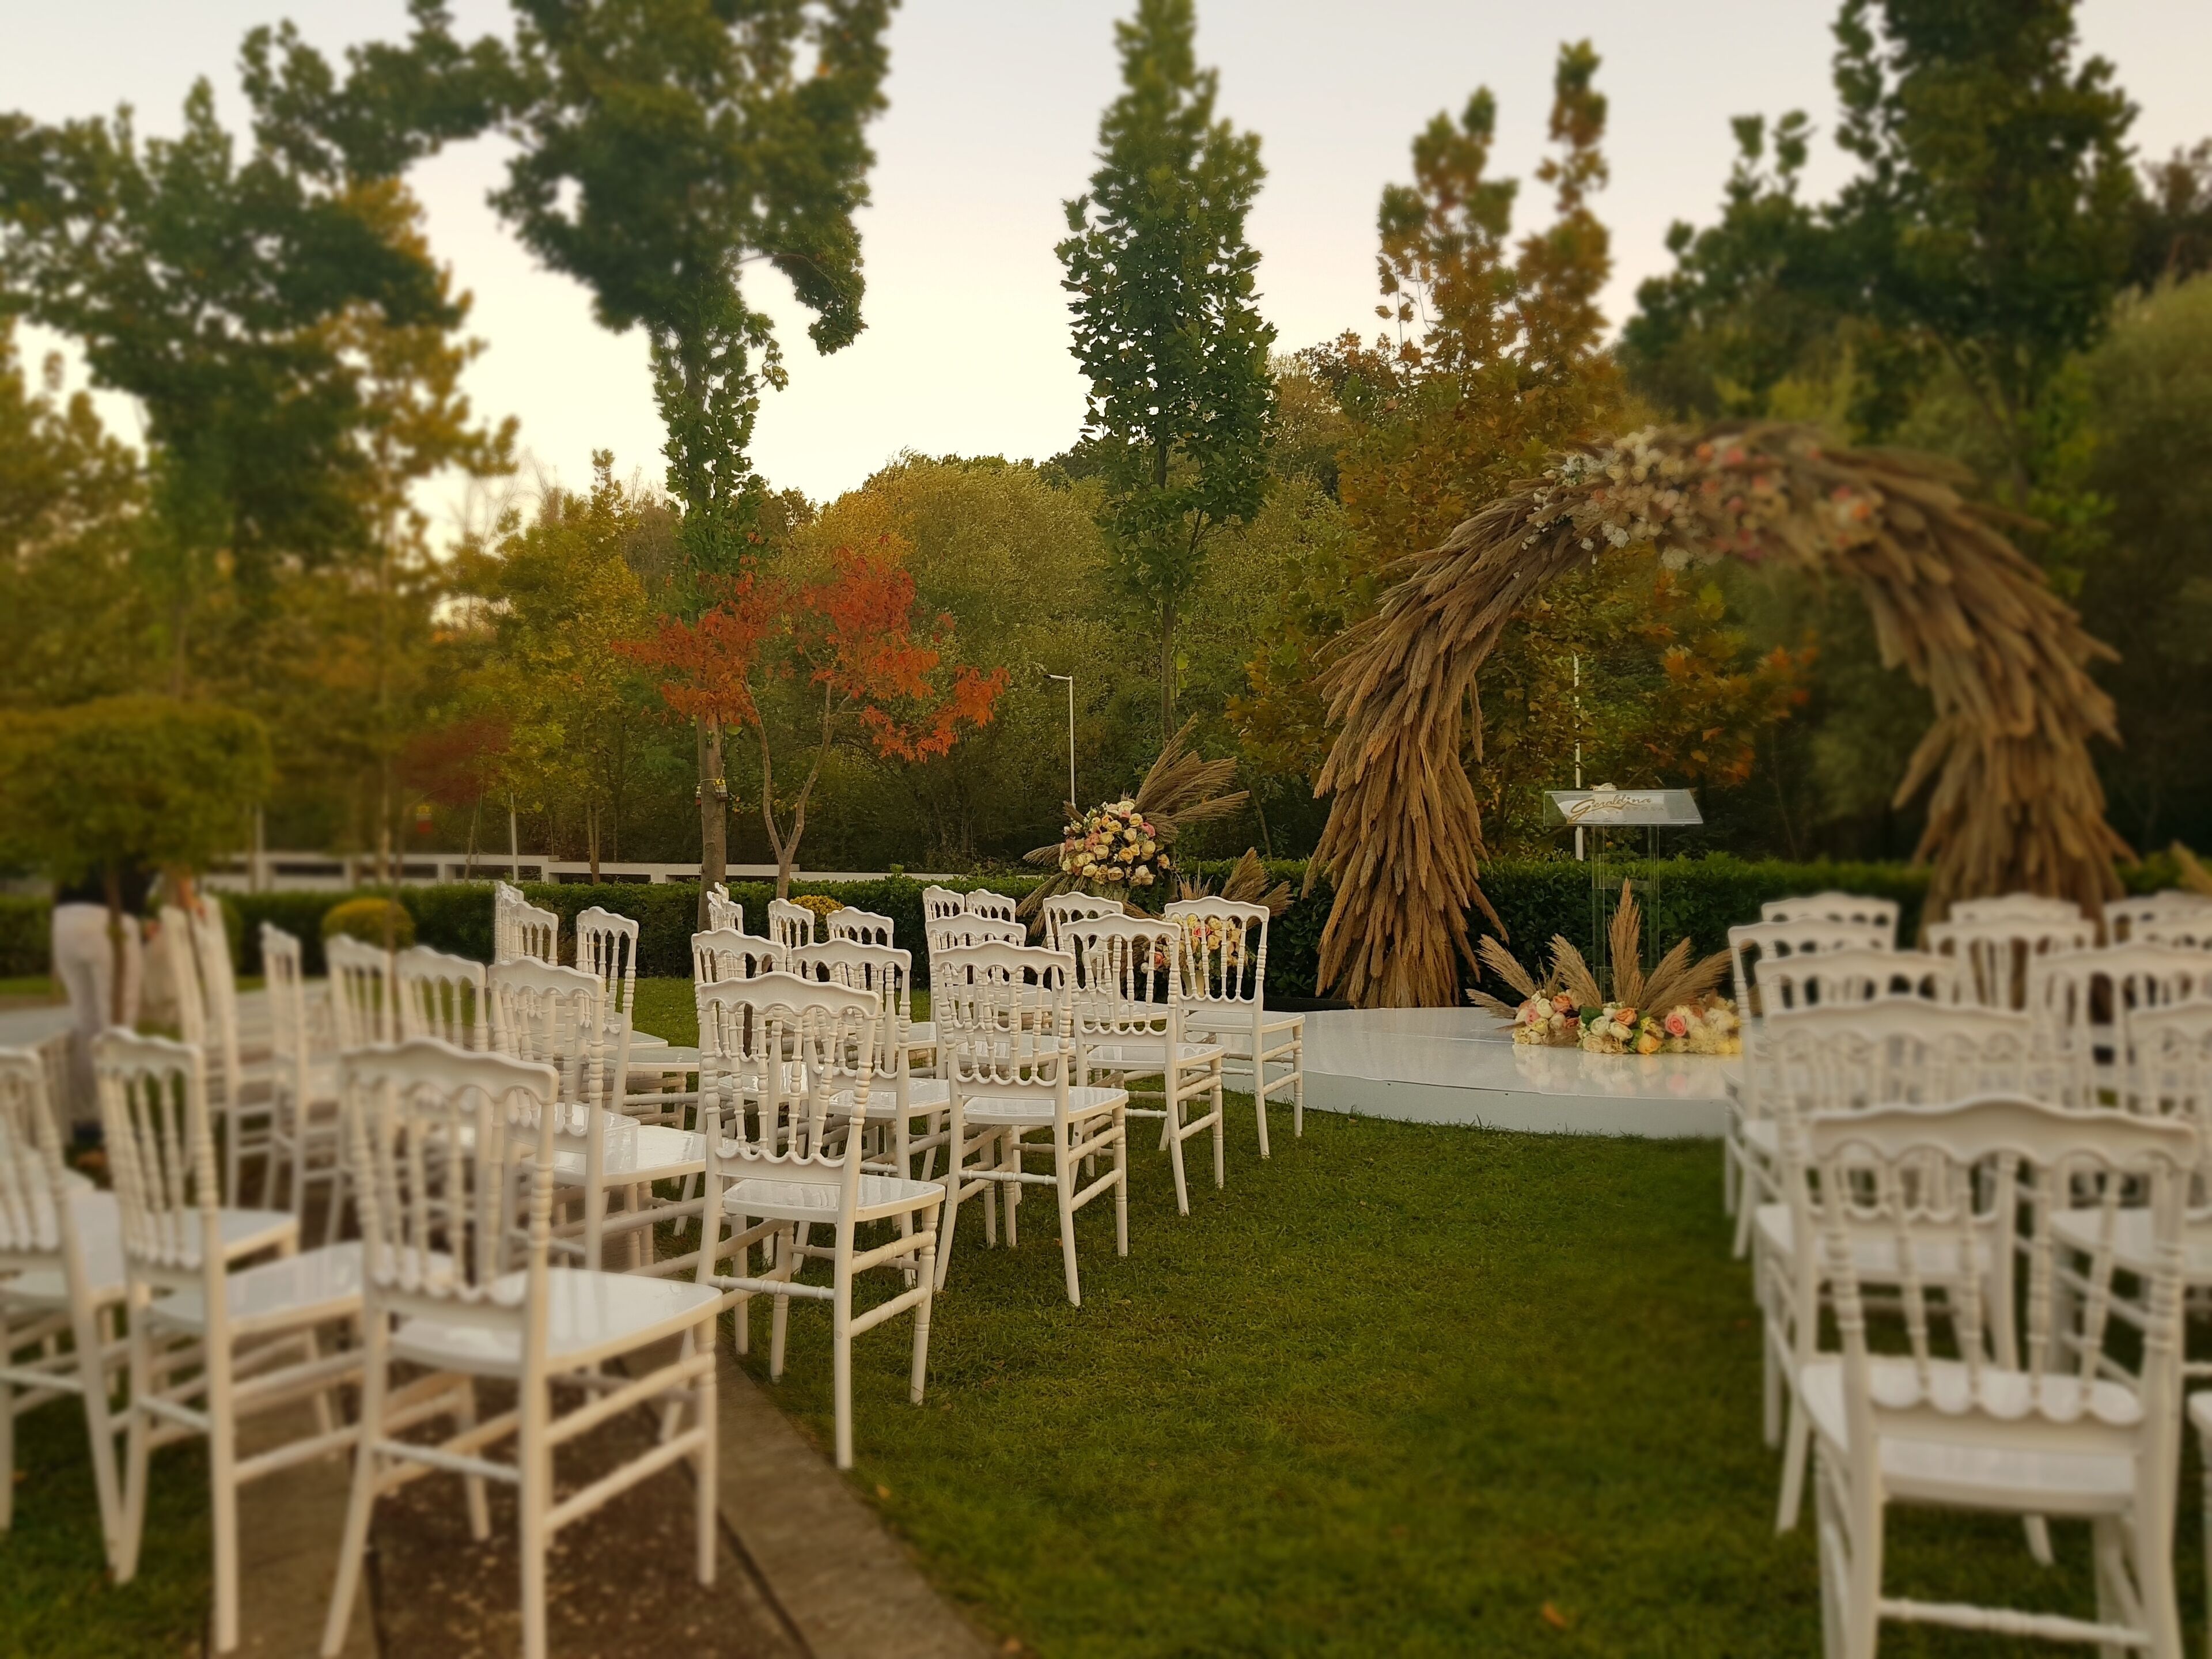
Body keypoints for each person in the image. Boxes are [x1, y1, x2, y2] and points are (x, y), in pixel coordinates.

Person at [49, 865, 149, 1119]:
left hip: (65, 918)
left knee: (87, 1026)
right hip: (113, 918)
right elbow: (181, 878)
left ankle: (85, 1116)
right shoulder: (154, 829)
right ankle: (115, 1122)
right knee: (118, 1027)